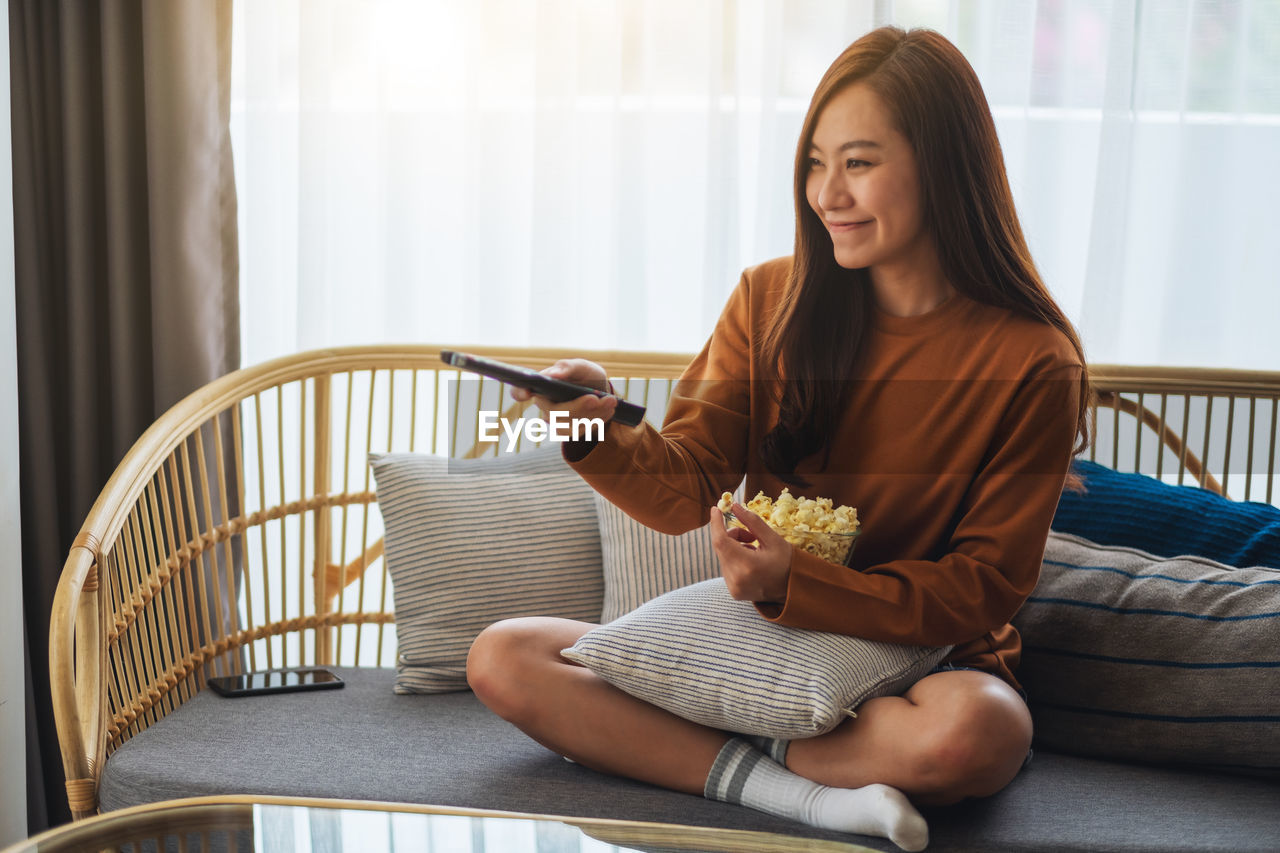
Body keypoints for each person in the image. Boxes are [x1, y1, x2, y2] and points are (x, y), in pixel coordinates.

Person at [466, 25, 1089, 853]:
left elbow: (982, 586)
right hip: (766, 643)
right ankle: (812, 797)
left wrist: (802, 580)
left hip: (924, 661)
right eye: (814, 162)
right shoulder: (769, 301)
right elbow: (685, 483)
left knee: (980, 730)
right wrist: (590, 419)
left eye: (859, 163)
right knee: (504, 656)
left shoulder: (1032, 359)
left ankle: (731, 759)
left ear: (943, 166)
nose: (826, 192)